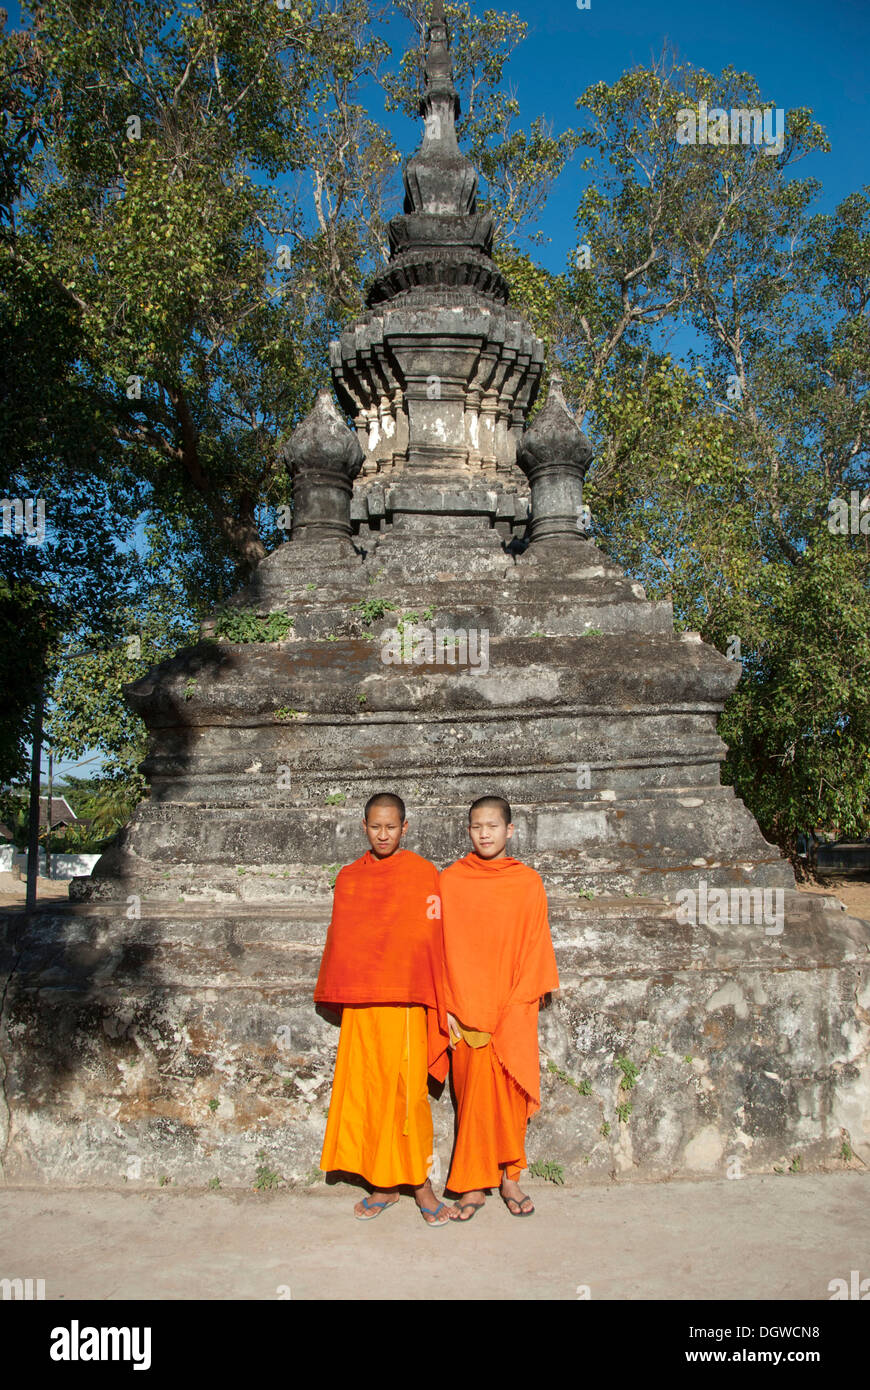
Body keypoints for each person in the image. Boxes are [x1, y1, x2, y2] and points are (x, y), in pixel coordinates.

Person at [314, 792, 452, 1225]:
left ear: (405, 828)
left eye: (391, 827)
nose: (384, 834)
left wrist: (433, 996)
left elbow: (430, 938)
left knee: (409, 1096)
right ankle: (383, 1184)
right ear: (364, 826)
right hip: (364, 1003)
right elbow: (345, 940)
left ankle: (421, 1185)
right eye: (376, 827)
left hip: (407, 1002)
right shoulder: (351, 877)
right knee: (371, 1088)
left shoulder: (422, 873)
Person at [440, 795, 559, 1220]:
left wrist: (518, 1003)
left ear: (510, 831)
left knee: (510, 1096)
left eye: (492, 826)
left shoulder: (528, 883)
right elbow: (440, 948)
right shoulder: (451, 880)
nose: (484, 833)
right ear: (468, 831)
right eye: (476, 827)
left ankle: (510, 1177)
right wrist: (449, 1007)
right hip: (467, 1007)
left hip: (514, 1006)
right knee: (470, 1097)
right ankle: (471, 1186)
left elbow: (536, 948)